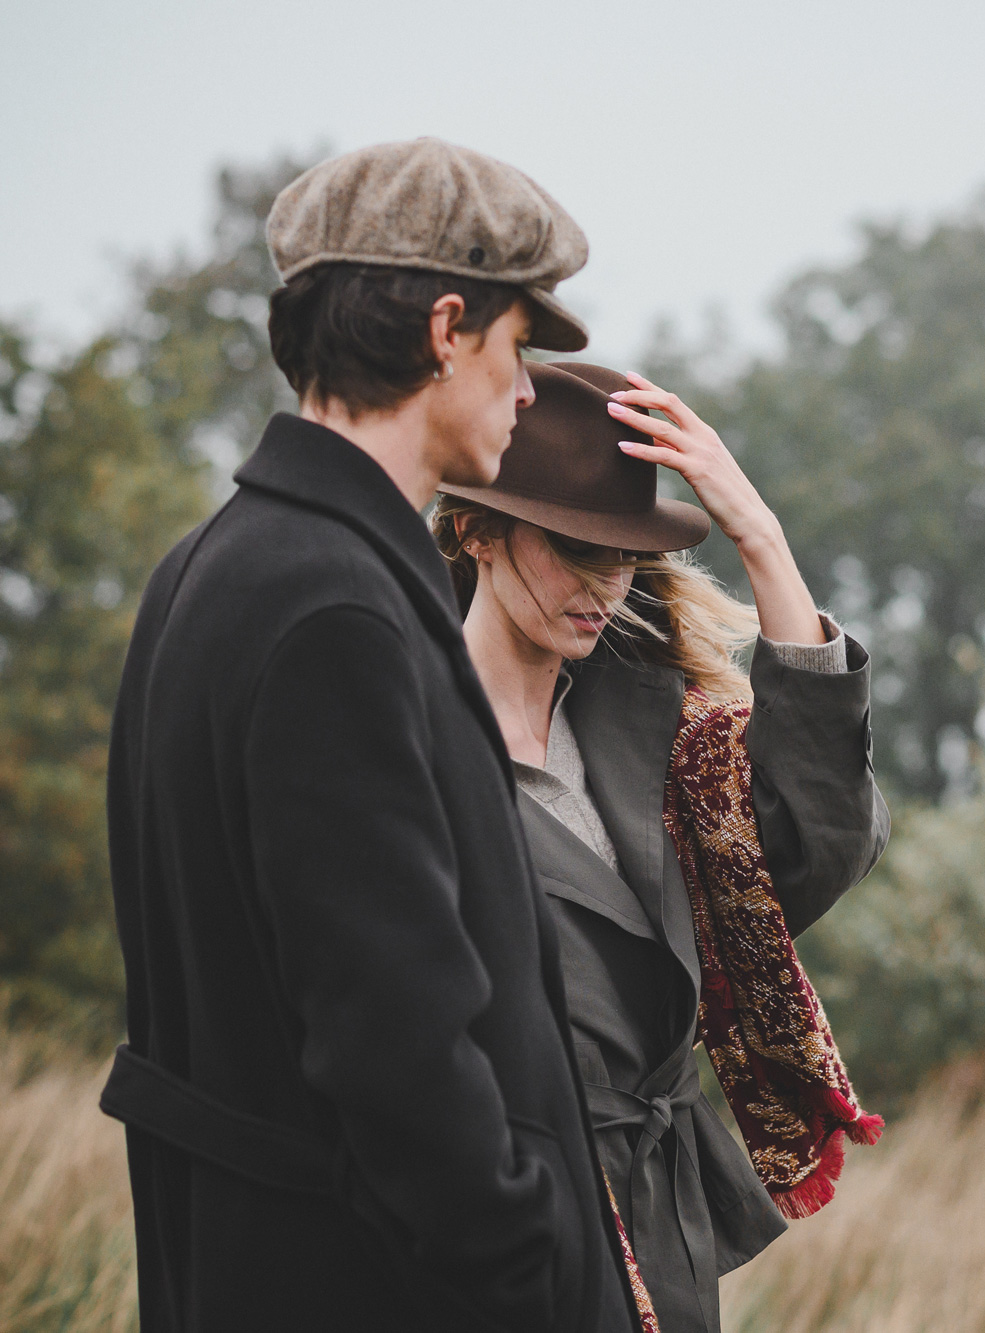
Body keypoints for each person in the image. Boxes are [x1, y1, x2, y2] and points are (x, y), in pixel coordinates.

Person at [99, 142, 640, 1333]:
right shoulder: (336, 609)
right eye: (516, 350)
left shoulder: (206, 568)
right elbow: (393, 1048)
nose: (523, 391)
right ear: (446, 329)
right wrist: (531, 1269)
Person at [432, 360, 891, 1333]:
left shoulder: (667, 742)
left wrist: (758, 537)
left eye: (627, 554)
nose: (607, 583)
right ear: (476, 528)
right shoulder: (407, 740)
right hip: (492, 1232)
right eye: (574, 547)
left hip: (660, 1234)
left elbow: (821, 840)